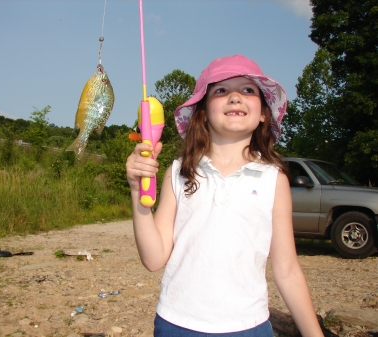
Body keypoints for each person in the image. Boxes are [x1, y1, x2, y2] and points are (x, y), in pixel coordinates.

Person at [126, 54, 323, 336]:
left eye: (248, 90)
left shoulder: (274, 178)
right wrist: (137, 192)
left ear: (264, 112)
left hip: (249, 327)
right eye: (220, 90)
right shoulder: (179, 171)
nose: (234, 97)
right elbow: (154, 258)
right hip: (176, 324)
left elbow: (288, 270)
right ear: (203, 111)